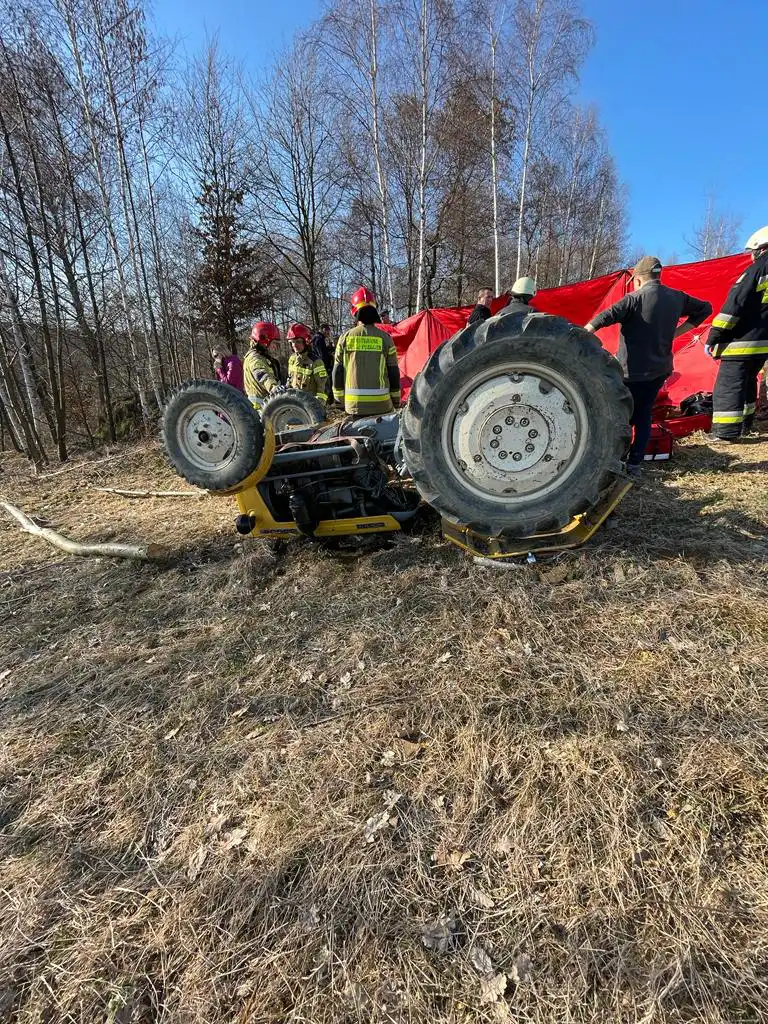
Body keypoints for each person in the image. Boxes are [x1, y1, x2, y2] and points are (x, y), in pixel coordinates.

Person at [586, 256, 711, 475]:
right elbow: (705, 308)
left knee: (621, 416)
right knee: (644, 416)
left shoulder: (634, 299)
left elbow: (604, 317)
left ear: (638, 279)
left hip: (630, 372)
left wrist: (581, 334)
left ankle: (615, 460)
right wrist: (678, 332)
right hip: (659, 370)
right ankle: (634, 464)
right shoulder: (676, 297)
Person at [706, 226, 768, 441]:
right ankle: (746, 425)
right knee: (749, 382)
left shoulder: (757, 269)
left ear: (760, 248)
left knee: (729, 385)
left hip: (742, 342)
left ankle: (725, 433)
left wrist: (715, 335)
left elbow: (736, 303)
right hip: (763, 345)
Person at [333, 287, 400, 416]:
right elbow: (393, 372)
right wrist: (396, 401)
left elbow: (338, 372)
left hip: (353, 405)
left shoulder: (344, 338)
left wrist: (339, 401)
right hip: (382, 404)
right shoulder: (386, 339)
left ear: (354, 311)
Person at [243, 321, 283, 410]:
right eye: (274, 343)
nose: (275, 347)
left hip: (266, 406)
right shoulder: (255, 358)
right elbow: (262, 374)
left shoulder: (263, 357)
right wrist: (273, 387)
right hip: (261, 409)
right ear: (264, 341)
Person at [287, 323, 328, 406]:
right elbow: (290, 381)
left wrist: (318, 406)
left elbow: (322, 387)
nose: (294, 345)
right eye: (292, 342)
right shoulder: (292, 359)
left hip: (310, 407)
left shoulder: (316, 362)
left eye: (298, 341)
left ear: (306, 341)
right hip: (295, 406)